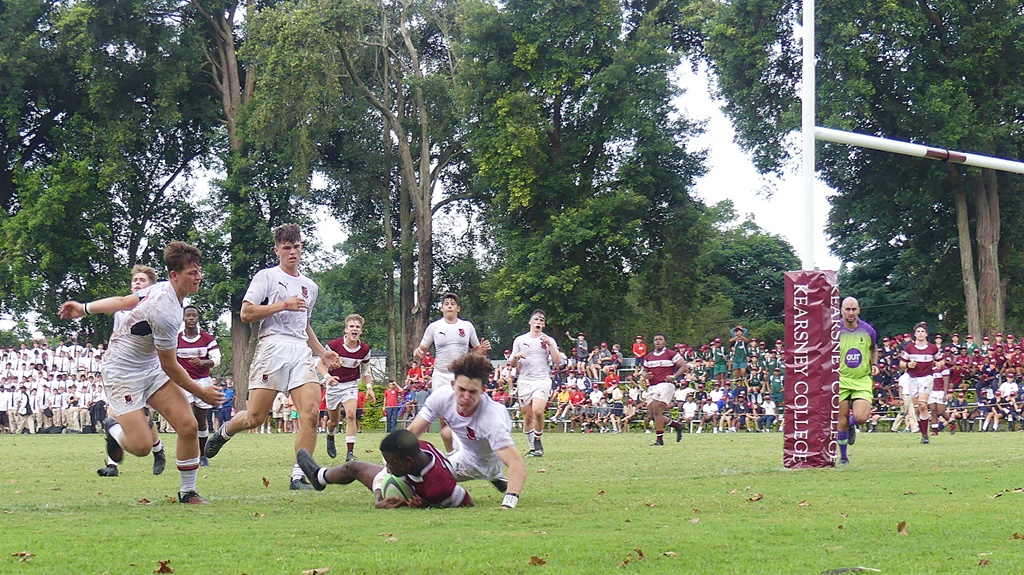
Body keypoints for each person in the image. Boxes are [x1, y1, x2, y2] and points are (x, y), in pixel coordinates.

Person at [58, 242, 224, 504]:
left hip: (149, 368)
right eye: (192, 272)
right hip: (122, 373)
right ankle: (113, 428)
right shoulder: (166, 313)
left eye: (199, 271)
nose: (198, 277)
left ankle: (187, 492)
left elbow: (123, 302)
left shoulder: (163, 290)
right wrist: (200, 390)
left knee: (188, 425)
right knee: (141, 447)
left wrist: (84, 307)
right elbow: (171, 366)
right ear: (174, 276)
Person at [204, 224, 341, 490]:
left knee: (311, 413)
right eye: (286, 248)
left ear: (302, 248)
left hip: (300, 349)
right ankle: (224, 432)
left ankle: (299, 476)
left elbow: (305, 324)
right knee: (255, 417)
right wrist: (283, 305)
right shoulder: (266, 277)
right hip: (272, 346)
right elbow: (246, 314)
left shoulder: (310, 286)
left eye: (296, 247)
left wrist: (322, 352)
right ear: (277, 250)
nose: (292, 252)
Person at [406, 352, 527, 509]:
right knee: (442, 437)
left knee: (431, 484)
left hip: (480, 462)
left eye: (472, 392)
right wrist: (393, 457)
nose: (465, 396)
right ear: (452, 385)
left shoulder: (491, 420)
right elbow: (413, 431)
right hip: (465, 441)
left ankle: (494, 475)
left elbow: (517, 464)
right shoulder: (442, 396)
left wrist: (508, 504)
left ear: (483, 390)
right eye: (461, 389)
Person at [98, 265, 167, 477]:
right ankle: (112, 465)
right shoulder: (121, 312)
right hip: (122, 372)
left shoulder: (159, 308)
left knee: (143, 417)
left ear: (152, 286)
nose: (137, 283)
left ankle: (158, 449)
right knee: (116, 417)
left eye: (142, 280)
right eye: (135, 280)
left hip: (148, 371)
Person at [295, 429, 472, 508]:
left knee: (363, 471)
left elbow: (467, 501)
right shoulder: (418, 448)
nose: (387, 466)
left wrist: (429, 505)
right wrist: (379, 497)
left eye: (391, 462)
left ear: (408, 461)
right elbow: (386, 473)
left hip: (420, 489)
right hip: (409, 479)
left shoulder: (439, 486)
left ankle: (319, 477)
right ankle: (319, 477)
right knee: (353, 466)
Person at [412, 292, 490, 450]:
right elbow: (420, 349)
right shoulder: (434, 327)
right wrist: (417, 353)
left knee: (463, 411)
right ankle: (451, 452)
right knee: (444, 415)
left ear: (458, 308)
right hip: (441, 374)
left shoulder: (466, 326)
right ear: (441, 308)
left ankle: (466, 447)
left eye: (452, 304)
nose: (449, 306)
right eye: (446, 303)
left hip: (461, 375)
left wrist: (482, 350)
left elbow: (477, 350)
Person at [320, 314, 375, 461]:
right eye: (352, 326)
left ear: (361, 331)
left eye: (357, 327)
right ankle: (330, 435)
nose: (354, 329)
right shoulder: (334, 346)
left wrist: (369, 387)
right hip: (334, 386)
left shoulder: (364, 349)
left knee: (351, 415)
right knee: (334, 421)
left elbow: (365, 369)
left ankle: (350, 453)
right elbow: (319, 364)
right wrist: (328, 377)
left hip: (351, 384)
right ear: (346, 330)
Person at [509, 309, 563, 457]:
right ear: (530, 322)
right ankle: (533, 447)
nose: (538, 322)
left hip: (542, 380)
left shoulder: (548, 340)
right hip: (525, 381)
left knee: (538, 411)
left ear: (543, 324)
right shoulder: (520, 340)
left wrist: (550, 345)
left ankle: (538, 440)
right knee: (527, 417)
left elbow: (558, 361)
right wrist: (516, 357)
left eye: (541, 320)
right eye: (536, 320)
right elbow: (512, 364)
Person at [836, 297, 880, 464]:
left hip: (861, 379)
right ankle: (844, 457)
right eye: (847, 309)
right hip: (841, 380)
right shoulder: (834, 330)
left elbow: (873, 348)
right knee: (842, 419)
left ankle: (852, 424)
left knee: (861, 417)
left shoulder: (868, 330)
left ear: (859, 310)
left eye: (854, 309)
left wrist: (874, 363)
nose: (851, 313)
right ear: (842, 310)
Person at [899, 322, 943, 445]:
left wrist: (939, 364)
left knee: (923, 405)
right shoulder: (909, 348)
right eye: (918, 331)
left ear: (926, 334)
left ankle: (925, 436)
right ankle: (923, 433)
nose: (920, 333)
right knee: (918, 409)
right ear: (915, 334)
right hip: (912, 379)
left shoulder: (932, 348)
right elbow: (901, 364)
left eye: (922, 331)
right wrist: (908, 365)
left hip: (926, 378)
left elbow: (941, 360)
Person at [640, 334, 686, 445]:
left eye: (660, 339)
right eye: (656, 339)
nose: (658, 341)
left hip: (665, 384)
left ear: (665, 342)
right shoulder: (649, 356)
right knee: (652, 414)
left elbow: (683, 366)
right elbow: (644, 371)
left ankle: (659, 440)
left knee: (657, 410)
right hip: (652, 386)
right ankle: (677, 425)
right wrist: (645, 375)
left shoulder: (671, 354)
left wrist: (674, 376)